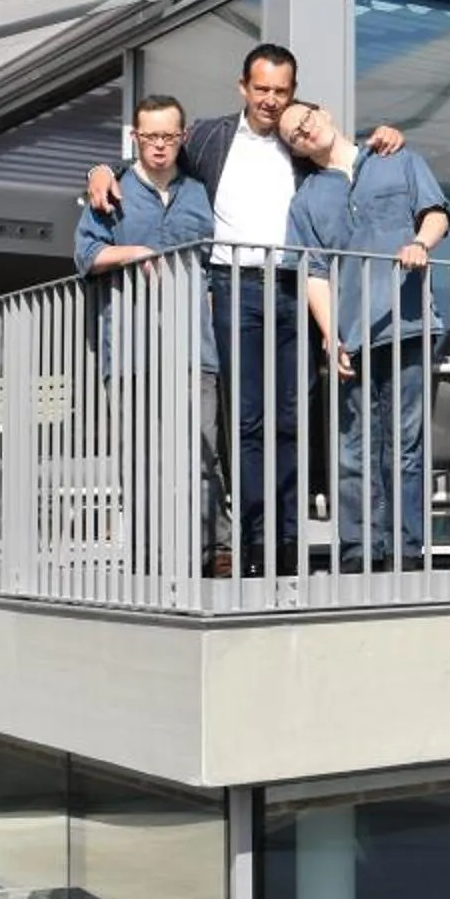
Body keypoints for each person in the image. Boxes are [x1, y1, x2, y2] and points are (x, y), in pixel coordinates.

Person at [85, 46, 400, 576]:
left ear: (292, 94)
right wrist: (101, 170)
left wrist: (383, 140)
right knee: (247, 422)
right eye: (262, 89)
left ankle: (288, 541)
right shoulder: (210, 137)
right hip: (232, 287)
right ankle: (252, 546)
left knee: (293, 419)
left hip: (298, 285)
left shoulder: (298, 142)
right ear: (243, 88)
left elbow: (343, 156)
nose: (271, 100)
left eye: (281, 91)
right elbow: (154, 157)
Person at [277, 97, 450, 572]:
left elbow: (436, 213)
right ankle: (358, 550)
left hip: (408, 324)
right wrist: (331, 337)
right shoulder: (308, 199)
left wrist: (420, 243)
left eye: (307, 119)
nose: (305, 131)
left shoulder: (399, 160)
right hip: (352, 339)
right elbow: (313, 272)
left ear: (327, 114)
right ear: (296, 149)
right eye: (294, 134)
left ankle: (406, 550)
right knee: (354, 449)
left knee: (404, 444)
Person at [74, 95, 220, 573]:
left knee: (200, 458)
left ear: (183, 137)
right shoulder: (112, 191)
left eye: (169, 136)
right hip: (133, 349)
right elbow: (86, 256)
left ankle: (196, 561)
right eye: (150, 136)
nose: (159, 146)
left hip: (194, 348)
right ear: (135, 137)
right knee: (141, 462)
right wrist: (134, 251)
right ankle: (147, 563)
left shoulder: (200, 191)